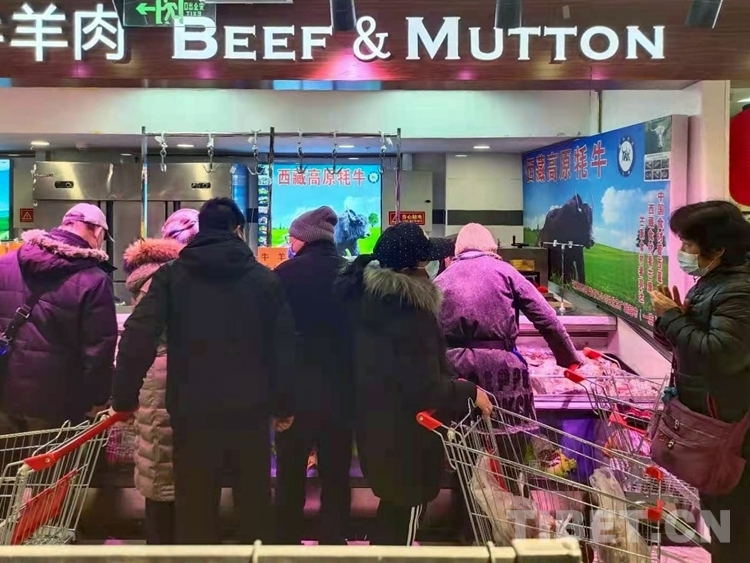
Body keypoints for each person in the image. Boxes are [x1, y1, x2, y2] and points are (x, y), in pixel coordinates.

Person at [112, 198, 296, 545]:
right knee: (254, 503)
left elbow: (138, 335)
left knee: (195, 504)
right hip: (250, 411)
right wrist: (284, 405)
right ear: (237, 230)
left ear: (202, 229)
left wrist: (124, 397)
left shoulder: (171, 276)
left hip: (192, 409)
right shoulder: (262, 279)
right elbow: (284, 346)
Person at [336, 222, 492, 546]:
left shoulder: (371, 301)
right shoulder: (410, 313)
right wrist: (469, 392)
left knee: (392, 515)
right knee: (404, 525)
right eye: (425, 261)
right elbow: (423, 388)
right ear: (413, 267)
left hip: (378, 432)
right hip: (407, 443)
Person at [649, 200, 750, 563]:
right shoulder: (713, 283)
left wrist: (673, 319)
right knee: (722, 520)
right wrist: (671, 320)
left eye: (689, 244)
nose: (683, 251)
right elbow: (689, 348)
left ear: (718, 249)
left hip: (730, 429)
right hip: (713, 420)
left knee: (733, 527)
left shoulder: (739, 291)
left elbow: (719, 354)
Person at [273, 206, 353, 545]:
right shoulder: (351, 274)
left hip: (295, 392)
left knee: (290, 472)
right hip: (341, 392)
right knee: (336, 474)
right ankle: (333, 540)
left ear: (303, 239)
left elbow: (273, 335)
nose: (289, 243)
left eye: (291, 237)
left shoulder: (284, 274)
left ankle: (286, 539)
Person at [0, 203, 116, 432]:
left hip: (5, 394)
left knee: (9, 455)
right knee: (52, 456)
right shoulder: (94, 280)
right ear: (97, 231)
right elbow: (99, 350)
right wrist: (98, 399)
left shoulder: (5, 263)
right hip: (58, 403)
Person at [121, 208, 199, 545]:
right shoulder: (176, 277)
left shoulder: (149, 274)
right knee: (178, 477)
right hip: (177, 377)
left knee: (158, 470)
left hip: (153, 382)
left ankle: (158, 547)